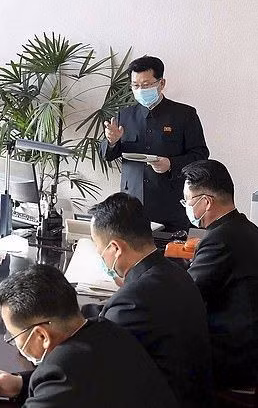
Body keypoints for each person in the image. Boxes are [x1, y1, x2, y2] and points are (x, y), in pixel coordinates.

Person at [0, 267, 179, 408]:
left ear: (41, 334)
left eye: (14, 336)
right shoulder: (108, 331)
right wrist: (20, 384)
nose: (15, 343)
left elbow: (67, 381)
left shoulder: (64, 371)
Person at [83, 192, 212, 408]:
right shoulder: (174, 272)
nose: (100, 256)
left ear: (115, 248)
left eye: (99, 250)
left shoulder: (133, 300)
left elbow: (94, 360)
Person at [101, 55, 209, 232]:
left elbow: (200, 155)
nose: (140, 90)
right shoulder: (124, 115)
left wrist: (171, 164)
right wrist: (111, 142)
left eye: (146, 85)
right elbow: (107, 155)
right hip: (131, 204)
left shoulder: (184, 115)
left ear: (161, 83)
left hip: (171, 204)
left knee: (171, 249)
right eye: (135, 86)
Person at [182, 159, 258, 387]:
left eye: (187, 201)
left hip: (233, 356)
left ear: (206, 202)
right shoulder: (247, 228)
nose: (186, 207)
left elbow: (186, 294)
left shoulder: (220, 239)